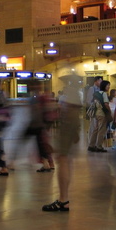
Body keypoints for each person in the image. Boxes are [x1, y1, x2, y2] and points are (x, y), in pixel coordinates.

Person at [42, 76, 82, 211]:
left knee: (63, 160)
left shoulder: (71, 93)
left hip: (67, 125)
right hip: (71, 125)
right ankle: (63, 198)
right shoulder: (76, 92)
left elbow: (70, 111)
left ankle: (63, 200)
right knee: (65, 160)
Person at [88, 80, 111, 152]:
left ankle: (91, 145)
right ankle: (99, 146)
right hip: (102, 114)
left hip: (96, 114)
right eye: (107, 85)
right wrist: (109, 111)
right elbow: (106, 104)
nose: (109, 87)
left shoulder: (96, 93)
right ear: (104, 86)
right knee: (101, 131)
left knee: (95, 130)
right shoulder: (104, 94)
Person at [86, 76, 103, 150]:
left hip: (99, 111)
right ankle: (91, 143)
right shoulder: (91, 89)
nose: (101, 82)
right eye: (100, 81)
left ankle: (95, 142)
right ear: (96, 81)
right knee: (93, 126)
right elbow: (89, 100)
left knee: (97, 127)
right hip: (94, 110)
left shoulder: (100, 89)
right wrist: (95, 106)